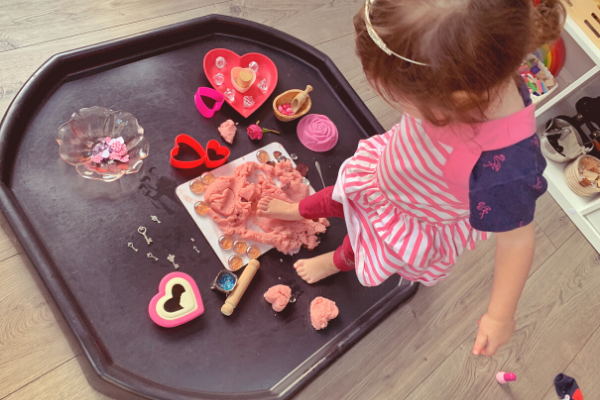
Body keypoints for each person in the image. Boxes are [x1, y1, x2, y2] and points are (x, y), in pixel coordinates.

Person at [258, 0, 564, 357]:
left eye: (399, 97)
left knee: (361, 246)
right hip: (391, 171)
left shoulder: (507, 166)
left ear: (450, 99)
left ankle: (336, 261)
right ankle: (299, 210)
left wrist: (500, 316)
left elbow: (516, 241)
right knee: (340, 195)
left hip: (416, 216)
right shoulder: (475, 58)